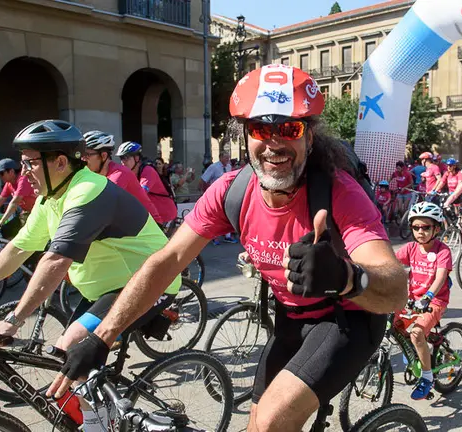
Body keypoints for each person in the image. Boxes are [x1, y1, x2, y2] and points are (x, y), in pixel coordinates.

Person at [44, 65, 406, 432]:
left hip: (346, 319)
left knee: (270, 423)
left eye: (289, 129)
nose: (274, 143)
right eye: (261, 129)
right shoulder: (232, 191)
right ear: (245, 136)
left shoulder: (339, 193)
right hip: (290, 318)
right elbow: (168, 260)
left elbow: (395, 288)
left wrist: (346, 276)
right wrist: (101, 337)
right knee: (254, 424)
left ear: (309, 138)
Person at [0, 119, 182, 432]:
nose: (23, 170)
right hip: (109, 288)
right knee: (67, 356)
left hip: (148, 283)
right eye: (21, 163)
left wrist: (14, 320)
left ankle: (104, 425)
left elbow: (55, 261)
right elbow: (19, 248)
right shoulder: (51, 197)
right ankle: (101, 416)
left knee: (74, 346)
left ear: (59, 162)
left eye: (30, 162)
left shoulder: (88, 191)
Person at [395, 202, 452, 400]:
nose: (420, 232)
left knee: (417, 333)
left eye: (426, 227)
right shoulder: (410, 248)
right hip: (412, 299)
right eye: (416, 227)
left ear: (436, 228)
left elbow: (440, 277)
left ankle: (427, 378)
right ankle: (414, 351)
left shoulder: (442, 251)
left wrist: (428, 297)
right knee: (391, 324)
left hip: (434, 301)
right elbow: (391, 261)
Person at [81, 130, 162, 224]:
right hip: (131, 224)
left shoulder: (120, 173)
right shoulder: (96, 174)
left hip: (149, 226)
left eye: (87, 155)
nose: (83, 159)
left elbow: (103, 203)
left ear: (103, 156)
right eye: (81, 155)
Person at [116, 142, 178, 229]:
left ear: (137, 158)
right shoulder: (130, 173)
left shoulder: (148, 171)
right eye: (121, 158)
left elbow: (141, 193)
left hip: (165, 215)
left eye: (126, 157)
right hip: (151, 217)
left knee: (164, 243)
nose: (123, 161)